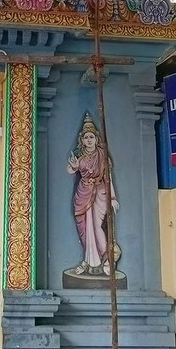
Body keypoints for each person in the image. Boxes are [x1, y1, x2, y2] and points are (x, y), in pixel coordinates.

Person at [66, 113, 119, 276]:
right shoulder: (80, 156)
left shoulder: (102, 155)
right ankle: (89, 260)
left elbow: (108, 178)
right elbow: (70, 170)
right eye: (86, 137)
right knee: (84, 228)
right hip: (83, 194)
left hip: (100, 192)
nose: (89, 140)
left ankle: (109, 257)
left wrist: (113, 197)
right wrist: (74, 167)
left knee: (96, 226)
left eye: (91, 137)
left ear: (96, 139)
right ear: (82, 140)